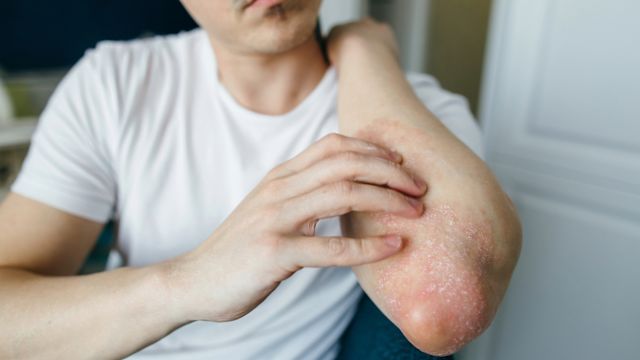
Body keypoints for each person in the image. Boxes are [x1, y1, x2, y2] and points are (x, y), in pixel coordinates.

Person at [0, 0, 522, 358]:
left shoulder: (422, 113)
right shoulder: (114, 82)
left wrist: (363, 48)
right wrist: (188, 283)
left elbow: (446, 307)